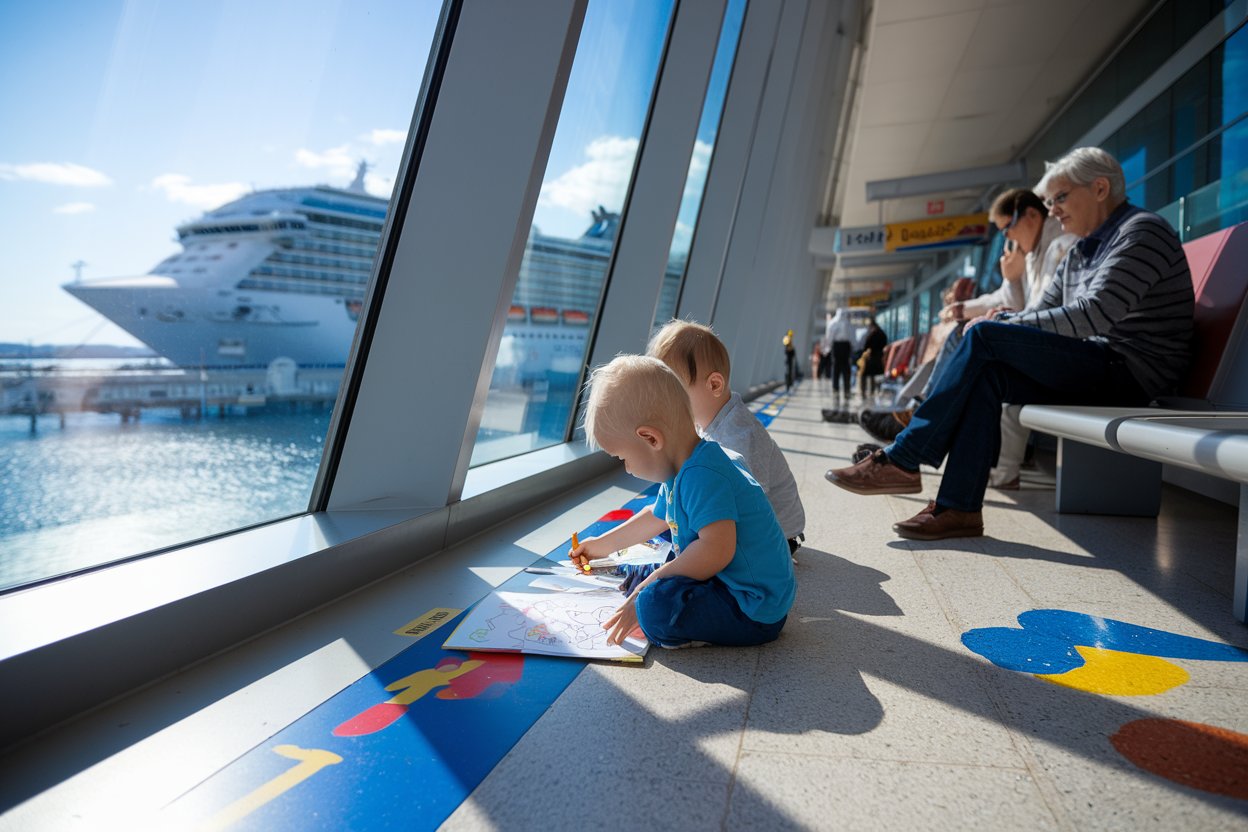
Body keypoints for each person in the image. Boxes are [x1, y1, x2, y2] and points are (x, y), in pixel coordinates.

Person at [824, 147, 1194, 540]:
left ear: (1100, 188)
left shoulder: (1141, 232)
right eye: (1050, 201)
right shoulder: (1079, 251)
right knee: (989, 374)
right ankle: (959, 508)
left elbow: (1095, 314)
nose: (1052, 210)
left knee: (985, 335)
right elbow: (1044, 310)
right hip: (1099, 361)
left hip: (1131, 371)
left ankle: (904, 456)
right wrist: (1004, 320)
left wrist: (998, 325)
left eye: (1060, 198)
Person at [573, 354, 796, 648]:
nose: (626, 468)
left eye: (623, 458)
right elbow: (657, 516)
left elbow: (717, 552)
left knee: (653, 607)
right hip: (729, 580)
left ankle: (687, 626)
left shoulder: (704, 475)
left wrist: (643, 592)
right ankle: (657, 588)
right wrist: (602, 545)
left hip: (753, 608)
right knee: (658, 564)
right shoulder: (685, 466)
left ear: (651, 439)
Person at [858, 189, 1076, 445]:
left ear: (1031, 216)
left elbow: (1031, 308)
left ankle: (916, 417)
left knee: (965, 341)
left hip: (1052, 351)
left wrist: (1010, 282)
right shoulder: (1032, 253)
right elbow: (1014, 302)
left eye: (1007, 228)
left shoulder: (1058, 247)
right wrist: (967, 307)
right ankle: (914, 415)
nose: (1007, 238)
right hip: (1037, 345)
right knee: (959, 343)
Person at [648, 319, 806, 558]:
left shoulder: (740, 437)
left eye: (675, 393)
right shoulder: (707, 424)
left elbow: (752, 506)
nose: (667, 403)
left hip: (777, 535)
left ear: (714, 384)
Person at [826, 308, 855, 400]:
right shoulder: (846, 323)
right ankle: (842, 390)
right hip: (842, 346)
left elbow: (829, 336)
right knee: (843, 369)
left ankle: (839, 389)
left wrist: (830, 346)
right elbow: (852, 336)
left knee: (838, 368)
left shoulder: (834, 323)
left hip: (839, 346)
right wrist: (853, 346)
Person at [857, 317, 888, 400]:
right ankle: (874, 391)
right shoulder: (882, 333)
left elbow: (866, 346)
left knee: (864, 375)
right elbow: (885, 343)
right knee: (876, 375)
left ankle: (863, 392)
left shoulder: (872, 334)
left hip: (871, 357)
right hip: (879, 357)